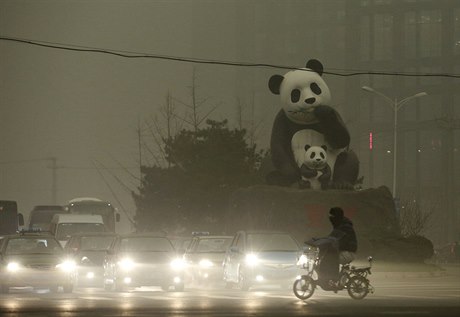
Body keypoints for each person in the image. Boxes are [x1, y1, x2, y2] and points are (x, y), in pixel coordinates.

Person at [306, 206, 357, 289]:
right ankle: (328, 279)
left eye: (332, 216)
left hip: (348, 252)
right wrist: (319, 241)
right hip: (342, 251)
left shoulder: (345, 227)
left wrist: (320, 241)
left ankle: (331, 279)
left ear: (337, 216)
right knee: (326, 257)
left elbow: (333, 239)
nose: (330, 218)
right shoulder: (340, 225)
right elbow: (331, 238)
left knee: (329, 259)